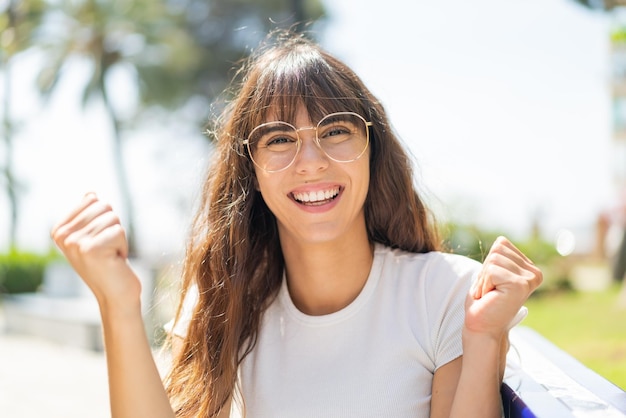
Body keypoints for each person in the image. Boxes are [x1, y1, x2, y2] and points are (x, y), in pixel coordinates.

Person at [51, 31, 542, 418]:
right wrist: (118, 305)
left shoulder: (447, 293)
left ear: (373, 148)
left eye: (335, 130)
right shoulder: (227, 303)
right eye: (279, 139)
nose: (311, 162)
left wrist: (483, 340)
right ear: (252, 170)